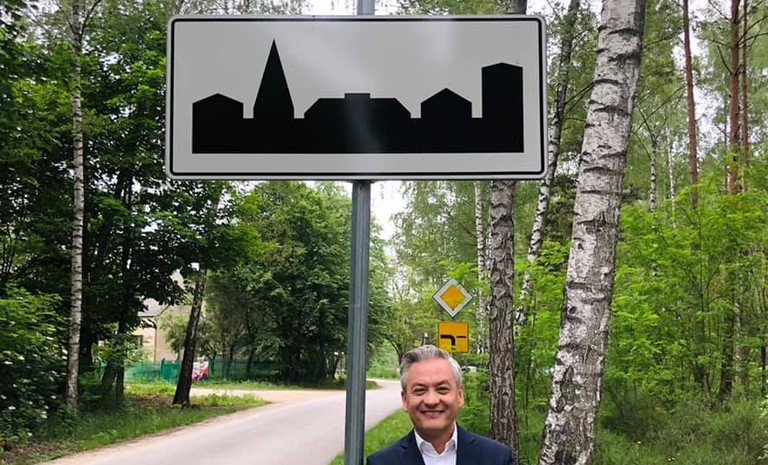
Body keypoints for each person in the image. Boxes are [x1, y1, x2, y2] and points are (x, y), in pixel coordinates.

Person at [367, 345, 516, 465]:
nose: (431, 401)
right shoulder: (381, 462)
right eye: (420, 390)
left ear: (459, 396)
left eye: (442, 389)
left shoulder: (497, 458)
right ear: (405, 400)